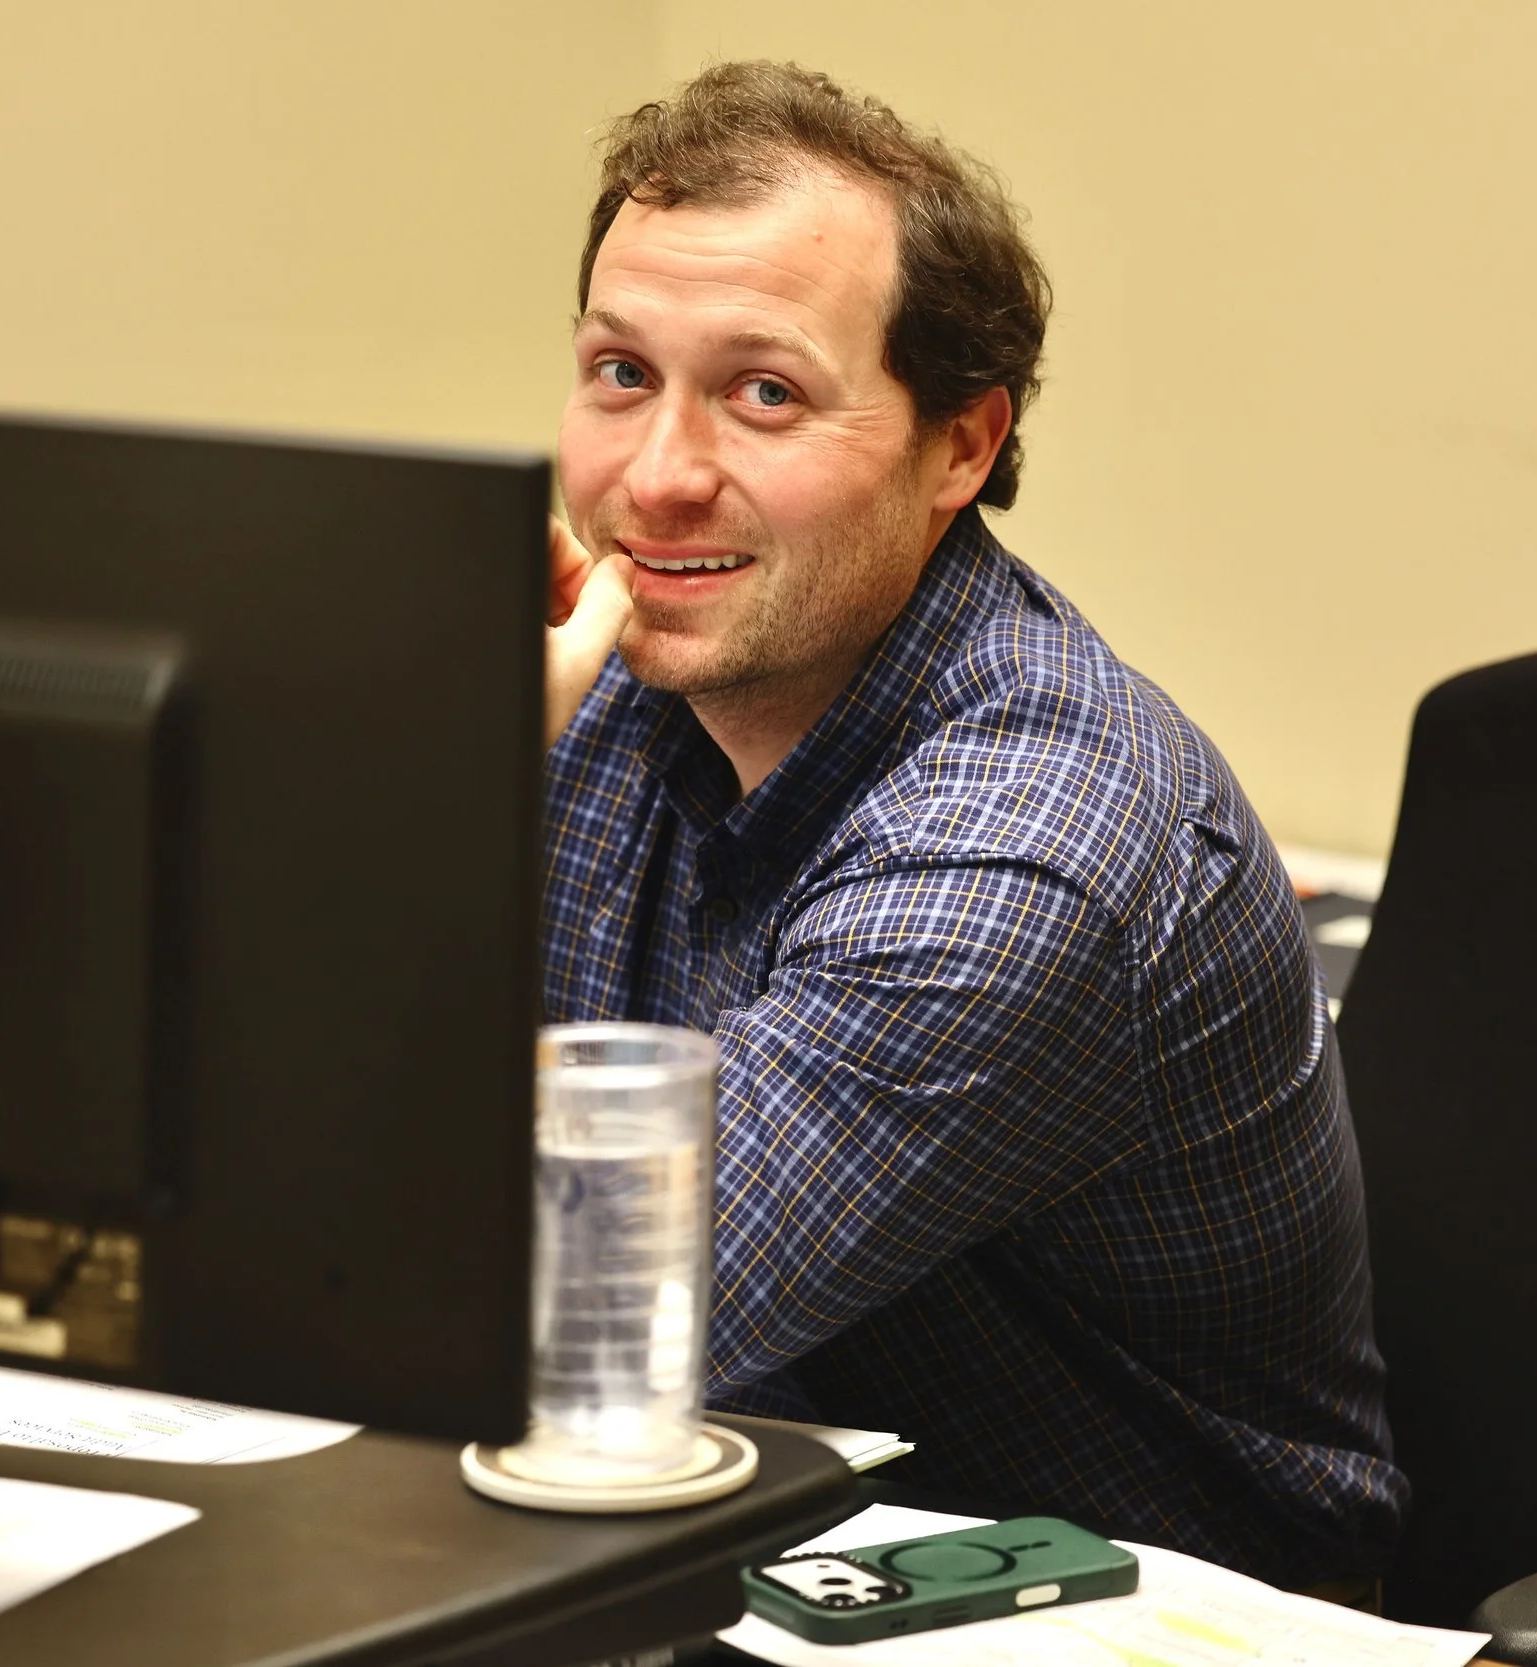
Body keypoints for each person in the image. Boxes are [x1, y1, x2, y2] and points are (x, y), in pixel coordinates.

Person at [538, 61, 1404, 1587]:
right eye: (621, 374)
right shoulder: (607, 693)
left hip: (1127, 1612)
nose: (657, 479)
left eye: (764, 393)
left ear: (960, 444)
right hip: (725, 1545)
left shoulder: (1027, 849)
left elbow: (586, 1322)